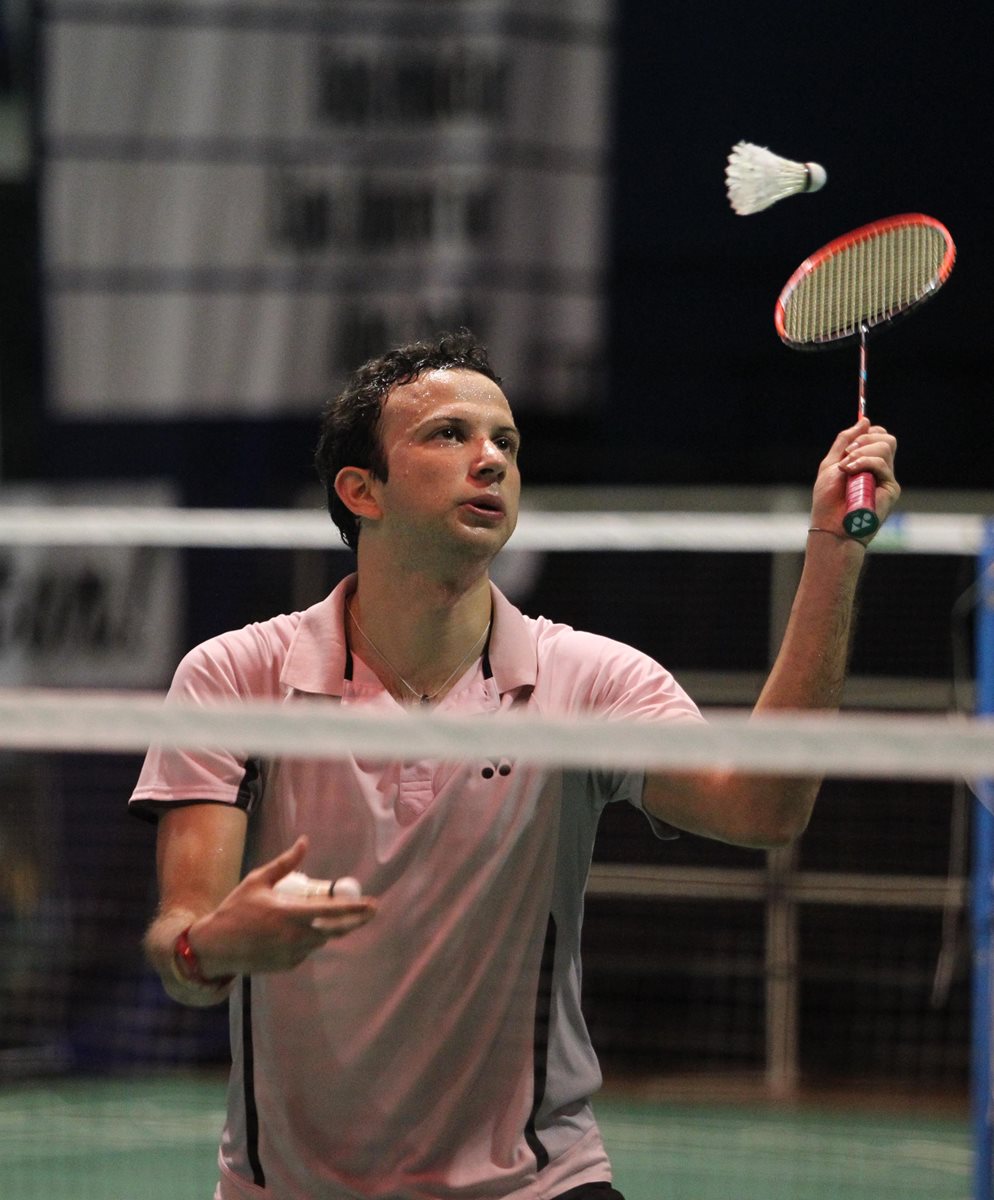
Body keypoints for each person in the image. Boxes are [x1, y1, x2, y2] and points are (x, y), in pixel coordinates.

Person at [131, 329, 900, 1200]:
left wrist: (833, 550)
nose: (491, 459)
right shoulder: (235, 678)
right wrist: (212, 945)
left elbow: (763, 809)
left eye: (506, 441)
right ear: (361, 489)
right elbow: (180, 940)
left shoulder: (588, 683)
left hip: (535, 1181)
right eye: (449, 435)